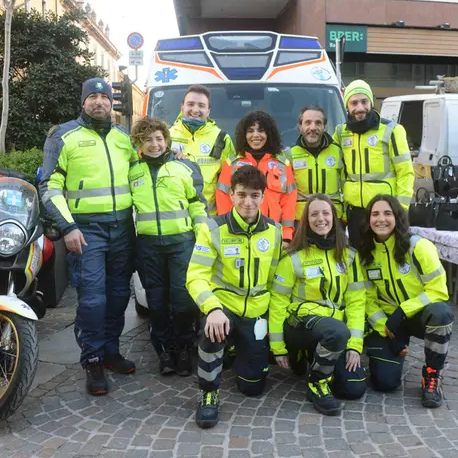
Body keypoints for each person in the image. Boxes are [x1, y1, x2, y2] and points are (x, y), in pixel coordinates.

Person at [39, 78, 138, 396]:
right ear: (83, 102)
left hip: (122, 228)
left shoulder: (124, 137)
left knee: (119, 295)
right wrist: (67, 227)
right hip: (85, 230)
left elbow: (141, 176)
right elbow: (49, 187)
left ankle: (110, 351)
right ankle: (92, 359)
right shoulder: (63, 136)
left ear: (112, 103)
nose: (99, 102)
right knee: (93, 300)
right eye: (92, 97)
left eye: (104, 97)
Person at [186, 165, 284, 429]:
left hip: (256, 311)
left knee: (252, 387)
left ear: (263, 196)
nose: (248, 202)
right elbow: (196, 276)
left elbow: (275, 278)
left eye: (254, 195)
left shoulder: (274, 231)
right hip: (223, 306)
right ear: (231, 194)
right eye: (242, 195)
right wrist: (212, 308)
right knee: (212, 331)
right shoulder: (213, 228)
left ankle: (235, 348)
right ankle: (208, 393)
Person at [269, 194, 368, 416]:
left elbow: (356, 302)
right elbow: (278, 302)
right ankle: (317, 382)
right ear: (306, 221)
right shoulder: (293, 257)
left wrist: (354, 345)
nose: (320, 218)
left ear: (334, 217)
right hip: (299, 324)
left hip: (335, 329)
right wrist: (278, 346)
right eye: (314, 214)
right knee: (335, 330)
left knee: (353, 388)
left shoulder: (349, 256)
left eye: (325, 213)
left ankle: (313, 356)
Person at [129, 117, 207, 376]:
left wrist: (202, 238)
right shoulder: (133, 172)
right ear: (139, 142)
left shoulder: (183, 168)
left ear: (167, 141)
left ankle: (184, 347)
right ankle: (164, 351)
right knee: (157, 302)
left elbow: (197, 205)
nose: (154, 144)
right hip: (149, 246)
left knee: (183, 300)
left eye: (159, 139)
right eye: (148, 139)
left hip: (181, 243)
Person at [358, 194, 453, 408]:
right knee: (385, 383)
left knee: (441, 314)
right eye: (375, 214)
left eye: (387, 213)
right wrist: (386, 329)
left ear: (397, 217)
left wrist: (403, 310)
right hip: (389, 321)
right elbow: (369, 300)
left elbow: (439, 290)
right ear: (368, 220)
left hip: (419, 314)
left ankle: (431, 375)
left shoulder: (419, 247)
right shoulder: (366, 255)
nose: (381, 219)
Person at [333, 80, 413, 249]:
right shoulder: (340, 133)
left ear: (371, 102)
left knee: (387, 258)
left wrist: (400, 210)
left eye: (364, 101)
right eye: (354, 103)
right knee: (359, 261)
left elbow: (405, 172)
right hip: (355, 213)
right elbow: (338, 173)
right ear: (347, 105)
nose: (360, 108)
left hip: (384, 212)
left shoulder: (392, 130)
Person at [217, 111, 297, 242]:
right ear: (244, 134)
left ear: (269, 134)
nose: (255, 135)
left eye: (261, 130)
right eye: (250, 131)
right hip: (238, 233)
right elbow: (223, 199)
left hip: (273, 233)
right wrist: (227, 230)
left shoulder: (283, 164)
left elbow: (289, 201)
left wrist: (287, 235)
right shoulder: (232, 164)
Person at [170, 85, 235, 215]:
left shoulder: (221, 139)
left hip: (209, 220)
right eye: (190, 104)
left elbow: (231, 182)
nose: (195, 110)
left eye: (201, 105)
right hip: (176, 221)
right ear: (182, 107)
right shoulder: (166, 137)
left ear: (208, 111)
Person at [286, 106, 345, 224]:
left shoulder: (338, 152)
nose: (313, 127)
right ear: (300, 127)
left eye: (318, 123)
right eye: (307, 123)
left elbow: (346, 186)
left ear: (325, 127)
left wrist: (345, 216)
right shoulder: (289, 155)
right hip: (301, 219)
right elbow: (285, 194)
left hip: (333, 218)